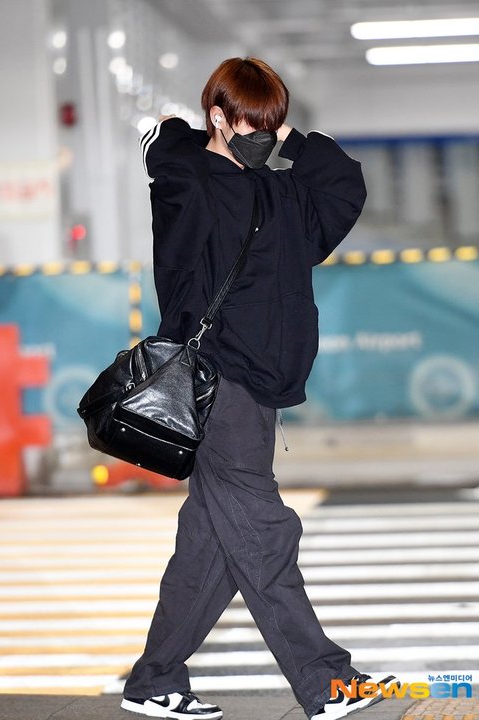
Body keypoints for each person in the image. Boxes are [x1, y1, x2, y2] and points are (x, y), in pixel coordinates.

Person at [121, 57, 397, 720]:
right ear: (218, 117)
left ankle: (154, 680)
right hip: (216, 384)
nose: (265, 137)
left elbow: (344, 185)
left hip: (261, 388)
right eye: (253, 124)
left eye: (274, 125)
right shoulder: (189, 185)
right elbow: (163, 144)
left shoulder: (283, 197)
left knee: (213, 544)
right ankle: (326, 682)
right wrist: (198, 130)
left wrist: (288, 136)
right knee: (265, 532)